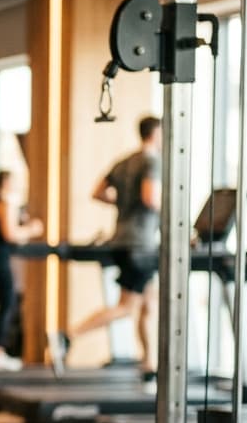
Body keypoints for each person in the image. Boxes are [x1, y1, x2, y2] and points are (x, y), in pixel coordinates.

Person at [49, 116, 162, 381]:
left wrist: (123, 203)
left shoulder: (124, 161)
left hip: (121, 238)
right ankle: (68, 335)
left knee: (148, 303)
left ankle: (150, 364)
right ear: (156, 134)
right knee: (126, 306)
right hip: (140, 243)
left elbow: (98, 192)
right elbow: (150, 198)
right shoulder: (151, 161)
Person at [0, 170, 43, 371]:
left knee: (5, 303)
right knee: (8, 302)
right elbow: (10, 233)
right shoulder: (5, 203)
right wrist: (32, 230)